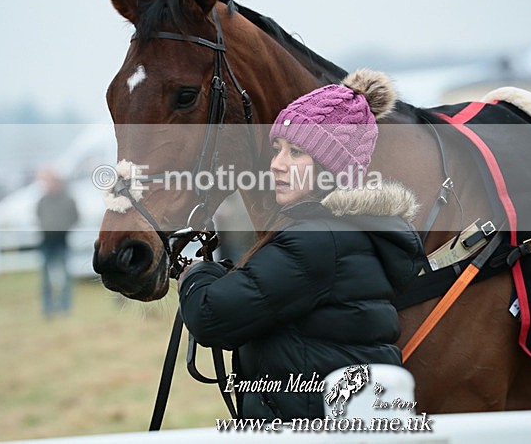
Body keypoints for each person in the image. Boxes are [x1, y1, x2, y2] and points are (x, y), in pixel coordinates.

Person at [178, 69, 428, 420]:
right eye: (277, 149)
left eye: (296, 153)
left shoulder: (316, 239)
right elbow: (269, 292)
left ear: (330, 169)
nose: (277, 165)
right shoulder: (343, 232)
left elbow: (211, 315)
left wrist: (195, 275)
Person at [36, 170, 79, 318]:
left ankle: (64, 307)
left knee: (65, 276)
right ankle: (48, 308)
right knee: (46, 277)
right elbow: (38, 215)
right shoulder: (43, 201)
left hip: (61, 241)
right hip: (46, 242)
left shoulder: (67, 200)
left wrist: (63, 228)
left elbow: (75, 217)